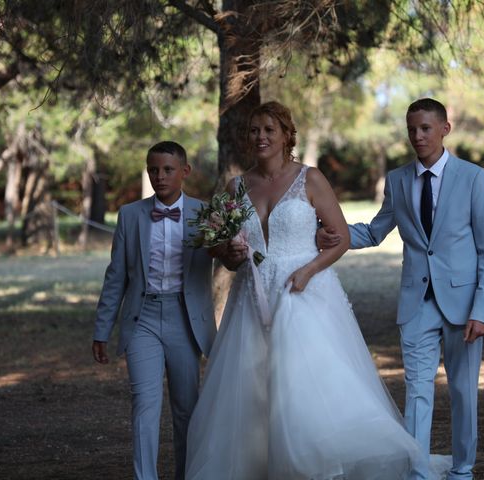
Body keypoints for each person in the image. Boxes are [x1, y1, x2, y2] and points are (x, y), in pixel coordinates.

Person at [185, 101, 444, 480]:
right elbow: (223, 256)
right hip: (251, 297)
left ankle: (314, 466)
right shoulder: (235, 187)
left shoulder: (310, 179)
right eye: (255, 130)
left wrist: (309, 270)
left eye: (269, 130)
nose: (261, 137)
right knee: (251, 385)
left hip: (303, 292)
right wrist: (232, 251)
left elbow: (338, 239)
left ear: (286, 135)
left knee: (307, 386)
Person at [318, 98, 484, 480]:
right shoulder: (398, 181)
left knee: (463, 393)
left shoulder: (473, 178)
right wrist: (328, 234)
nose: (417, 136)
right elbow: (374, 230)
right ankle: (418, 472)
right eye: (411, 129)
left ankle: (463, 469)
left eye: (425, 128)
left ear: (444, 129)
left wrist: (482, 311)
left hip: (464, 305)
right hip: (416, 304)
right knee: (417, 392)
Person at [92, 141, 216, 480]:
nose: (159, 176)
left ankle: (186, 475)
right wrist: (102, 329)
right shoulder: (130, 215)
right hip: (142, 319)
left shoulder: (207, 214)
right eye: (153, 170)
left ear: (185, 172)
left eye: (167, 170)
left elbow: (228, 259)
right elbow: (116, 276)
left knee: (186, 409)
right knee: (144, 407)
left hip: (185, 319)